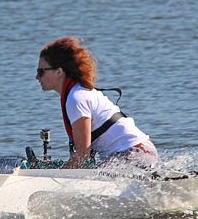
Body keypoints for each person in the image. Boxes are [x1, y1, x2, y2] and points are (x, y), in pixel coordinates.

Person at [36, 37, 158, 169]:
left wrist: (57, 174)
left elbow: (83, 155)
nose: (37, 77)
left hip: (133, 153)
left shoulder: (76, 98)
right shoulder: (77, 93)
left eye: (41, 71)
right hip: (141, 152)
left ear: (59, 72)